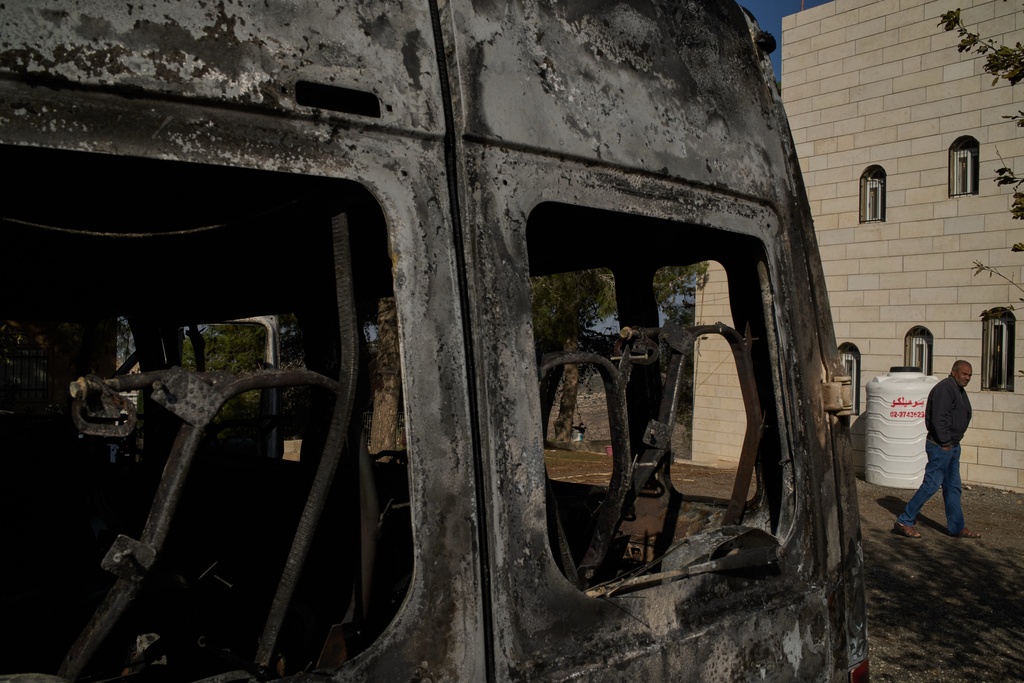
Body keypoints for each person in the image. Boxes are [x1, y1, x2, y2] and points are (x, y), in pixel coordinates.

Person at [894, 360, 981, 539]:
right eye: (964, 374)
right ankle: (905, 520)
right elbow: (938, 418)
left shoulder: (958, 390)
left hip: (952, 446)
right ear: (953, 372)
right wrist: (945, 443)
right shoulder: (945, 389)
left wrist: (952, 443)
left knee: (953, 487)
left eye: (970, 375)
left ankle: (957, 527)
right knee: (931, 484)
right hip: (941, 446)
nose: (967, 378)